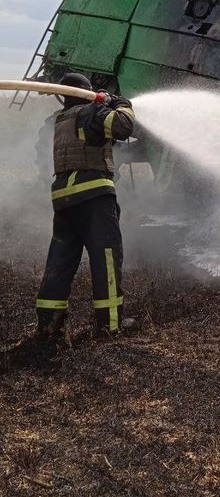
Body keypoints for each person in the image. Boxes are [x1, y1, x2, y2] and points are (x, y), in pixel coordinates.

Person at [35, 72, 135, 342]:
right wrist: (118, 102)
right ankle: (111, 325)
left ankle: (48, 326)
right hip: (93, 197)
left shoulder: (61, 120)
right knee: (106, 259)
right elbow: (124, 126)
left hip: (64, 200)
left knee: (60, 261)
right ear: (85, 92)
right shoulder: (90, 113)